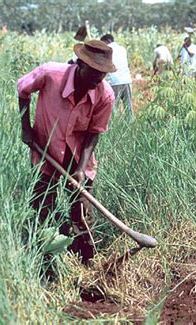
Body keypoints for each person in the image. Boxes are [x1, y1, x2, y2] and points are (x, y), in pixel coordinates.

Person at [17, 40, 116, 264]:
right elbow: (23, 89)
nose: (98, 78)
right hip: (46, 150)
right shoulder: (51, 74)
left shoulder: (105, 94)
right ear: (80, 63)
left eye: (103, 74)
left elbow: (94, 133)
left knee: (82, 209)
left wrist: (81, 169)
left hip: (79, 155)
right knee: (42, 205)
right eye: (94, 71)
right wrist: (26, 128)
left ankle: (87, 261)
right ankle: (41, 256)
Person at [101, 34, 133, 116]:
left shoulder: (107, 49)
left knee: (113, 106)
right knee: (128, 106)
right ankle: (131, 124)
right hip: (126, 80)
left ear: (107, 41)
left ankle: (115, 125)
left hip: (114, 81)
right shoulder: (122, 49)